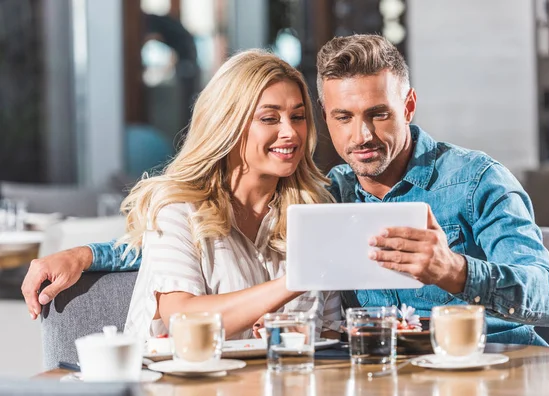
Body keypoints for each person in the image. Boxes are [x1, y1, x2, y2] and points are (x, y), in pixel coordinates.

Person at [22, 35, 549, 345]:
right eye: (342, 118)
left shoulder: (475, 181)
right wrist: (88, 252)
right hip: (380, 379)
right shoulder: (330, 196)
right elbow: (201, 226)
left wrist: (456, 271)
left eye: (379, 114)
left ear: (409, 106)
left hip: (495, 371)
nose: (363, 136)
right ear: (327, 120)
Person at [35, 50, 342, 341]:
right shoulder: (177, 209)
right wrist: (295, 281)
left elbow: (329, 334)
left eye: (298, 117)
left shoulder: (314, 211)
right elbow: (183, 321)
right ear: (228, 125)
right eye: (269, 118)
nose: (290, 132)